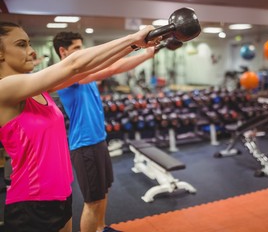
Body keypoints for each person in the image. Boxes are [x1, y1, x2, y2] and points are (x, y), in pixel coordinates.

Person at [0, 21, 158, 232]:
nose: (30, 51)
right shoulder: (5, 89)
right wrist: (133, 38)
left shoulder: (37, 87)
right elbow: (73, 64)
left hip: (61, 192)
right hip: (31, 202)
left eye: (29, 44)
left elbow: (94, 67)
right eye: (21, 44)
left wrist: (138, 47)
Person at [52, 31, 156, 232]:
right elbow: (112, 68)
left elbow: (110, 66)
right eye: (77, 49)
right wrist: (142, 49)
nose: (82, 53)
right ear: (63, 51)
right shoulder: (68, 74)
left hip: (99, 140)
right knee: (93, 201)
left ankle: (100, 228)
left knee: (103, 192)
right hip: (84, 145)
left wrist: (149, 50)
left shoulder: (85, 72)